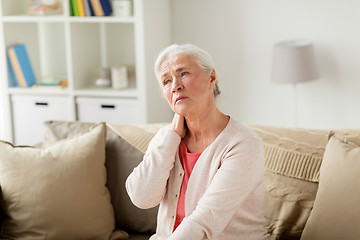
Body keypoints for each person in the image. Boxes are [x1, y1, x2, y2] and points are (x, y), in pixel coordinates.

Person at [126, 44, 269, 240]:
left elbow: (205, 220)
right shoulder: (166, 138)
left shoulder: (243, 145)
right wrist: (171, 137)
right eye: (166, 81)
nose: (175, 85)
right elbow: (141, 197)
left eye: (183, 73)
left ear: (211, 77)